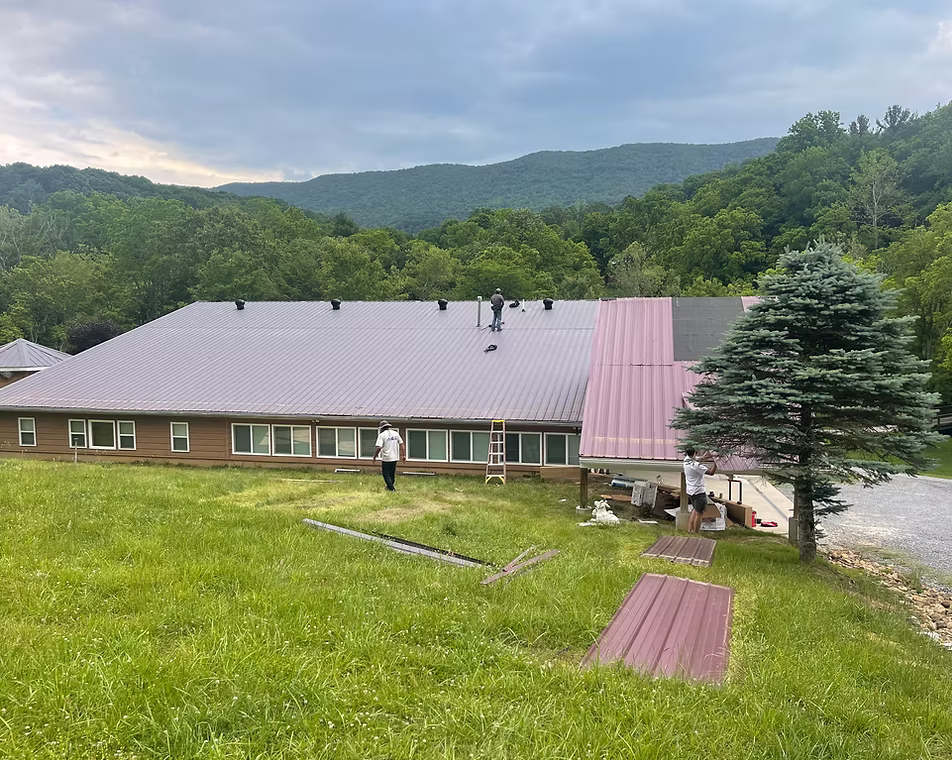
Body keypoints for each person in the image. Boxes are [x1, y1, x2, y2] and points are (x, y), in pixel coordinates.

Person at [683, 447, 717, 533]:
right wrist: (716, 463)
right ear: (694, 453)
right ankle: (696, 532)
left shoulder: (686, 460)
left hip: (691, 491)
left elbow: (700, 458)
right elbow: (711, 472)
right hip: (698, 492)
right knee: (699, 514)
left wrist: (708, 455)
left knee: (694, 510)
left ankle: (690, 530)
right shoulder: (696, 466)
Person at [372, 421, 405, 491]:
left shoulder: (382, 435)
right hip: (395, 457)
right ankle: (389, 486)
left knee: (386, 474)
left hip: (386, 458)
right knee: (391, 473)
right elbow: (402, 444)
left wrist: (375, 457)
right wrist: (404, 455)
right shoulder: (395, 433)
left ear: (382, 428)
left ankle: (391, 488)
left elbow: (379, 447)